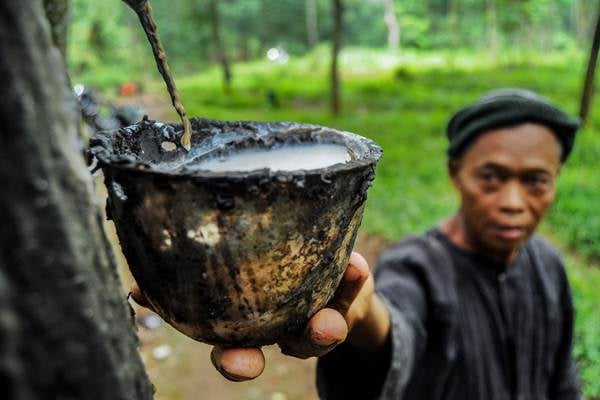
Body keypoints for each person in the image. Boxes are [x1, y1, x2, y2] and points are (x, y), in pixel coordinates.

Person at [132, 88, 582, 399]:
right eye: (492, 177)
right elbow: (395, 329)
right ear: (455, 173)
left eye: (536, 181)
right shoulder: (417, 266)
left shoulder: (548, 267)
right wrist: (360, 311)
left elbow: (563, 382)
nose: (512, 202)